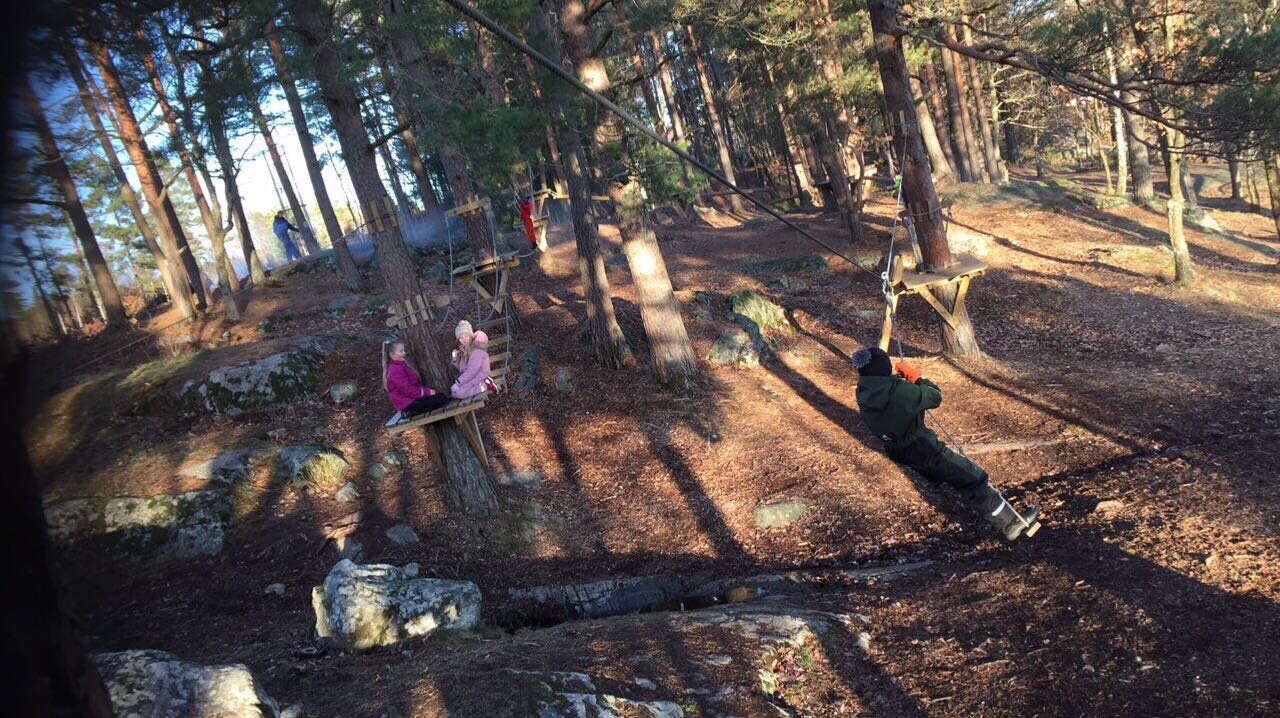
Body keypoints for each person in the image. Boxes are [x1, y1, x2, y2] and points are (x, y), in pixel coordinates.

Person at [851, 346, 1040, 540]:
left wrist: (899, 382)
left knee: (956, 477)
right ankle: (1010, 524)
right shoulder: (899, 391)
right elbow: (934, 396)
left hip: (899, 451)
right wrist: (917, 378)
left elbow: (890, 400)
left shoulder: (864, 392)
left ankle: (996, 514)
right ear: (883, 367)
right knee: (972, 478)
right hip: (924, 448)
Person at [384, 340, 449, 422]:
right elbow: (406, 389)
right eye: (401, 351)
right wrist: (427, 392)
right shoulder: (395, 370)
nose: (404, 353)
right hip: (407, 404)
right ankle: (410, 412)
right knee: (441, 398)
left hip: (412, 399)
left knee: (441, 397)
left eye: (404, 350)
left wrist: (425, 392)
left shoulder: (401, 365)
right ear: (392, 354)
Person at [450, 320, 493, 399]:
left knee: (458, 393)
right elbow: (462, 369)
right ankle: (480, 386)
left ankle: (486, 385)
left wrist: (459, 381)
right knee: (454, 391)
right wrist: (455, 359)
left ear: (471, 336)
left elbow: (472, 370)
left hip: (479, 376)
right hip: (471, 377)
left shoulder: (476, 349)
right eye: (461, 338)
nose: (464, 339)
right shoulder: (464, 350)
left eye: (466, 336)